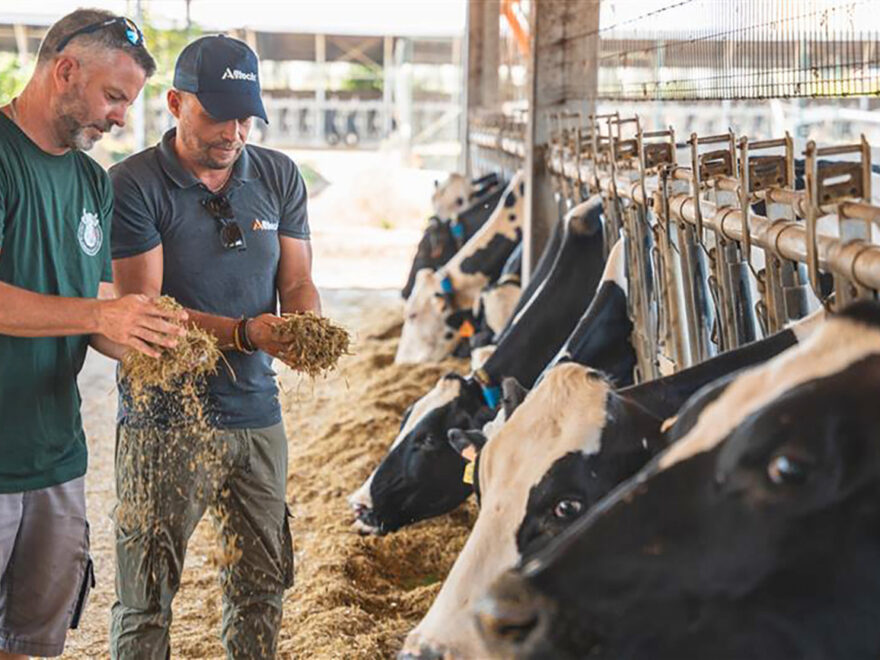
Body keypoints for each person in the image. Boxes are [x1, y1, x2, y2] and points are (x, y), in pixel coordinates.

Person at [109, 34, 320, 659]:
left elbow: (298, 280)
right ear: (176, 103)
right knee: (146, 599)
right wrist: (247, 333)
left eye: (245, 116)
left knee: (261, 585)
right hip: (165, 419)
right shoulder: (134, 184)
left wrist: (307, 328)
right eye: (217, 114)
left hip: (257, 414)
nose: (233, 132)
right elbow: (146, 310)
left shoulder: (277, 174)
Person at [0, 9, 186, 660]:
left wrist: (143, 334)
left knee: (30, 643)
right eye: (113, 97)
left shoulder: (89, 182)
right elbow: (87, 311)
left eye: (127, 103)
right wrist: (99, 316)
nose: (120, 119)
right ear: (65, 70)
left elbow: (92, 301)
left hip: (57, 457)